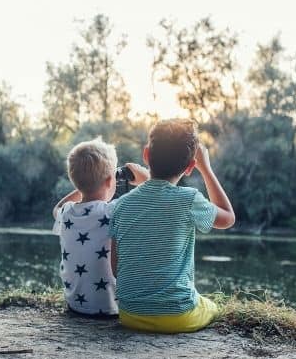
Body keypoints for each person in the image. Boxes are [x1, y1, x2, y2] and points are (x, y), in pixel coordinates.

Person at [109, 119, 235, 333]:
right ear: (189, 168)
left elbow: (115, 268)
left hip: (130, 314)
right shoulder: (188, 199)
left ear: (146, 154)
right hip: (177, 316)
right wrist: (206, 169)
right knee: (212, 307)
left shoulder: (121, 204)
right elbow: (228, 218)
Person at [52, 138, 146, 318]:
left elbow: (56, 208)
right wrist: (146, 178)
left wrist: (83, 184)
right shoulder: (114, 210)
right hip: (111, 309)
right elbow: (153, 197)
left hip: (76, 306)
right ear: (111, 180)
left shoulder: (67, 213)